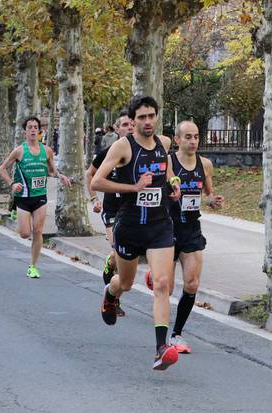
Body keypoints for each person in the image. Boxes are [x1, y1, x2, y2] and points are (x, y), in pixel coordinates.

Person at [91, 95, 182, 370]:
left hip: (159, 225)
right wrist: (134, 188)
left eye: (151, 116)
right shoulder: (122, 147)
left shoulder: (164, 143)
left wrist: (174, 183)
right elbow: (96, 181)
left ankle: (160, 348)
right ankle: (110, 293)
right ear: (132, 121)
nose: (147, 122)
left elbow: (166, 170)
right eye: (141, 117)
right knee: (126, 283)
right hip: (129, 226)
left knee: (163, 283)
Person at [144, 120, 224, 354]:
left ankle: (177, 334)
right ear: (177, 140)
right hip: (166, 230)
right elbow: (154, 191)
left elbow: (208, 195)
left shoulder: (205, 165)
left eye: (196, 137)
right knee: (165, 288)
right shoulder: (167, 162)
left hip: (190, 230)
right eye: (187, 137)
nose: (193, 141)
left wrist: (213, 201)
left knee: (192, 283)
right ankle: (156, 275)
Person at [0, 116, 72, 279]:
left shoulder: (47, 151)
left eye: (35, 127)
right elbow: (2, 168)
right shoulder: (19, 151)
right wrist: (12, 184)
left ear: (39, 131)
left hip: (40, 196)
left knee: (38, 231)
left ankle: (33, 266)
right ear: (25, 131)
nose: (32, 130)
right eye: (29, 127)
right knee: (25, 234)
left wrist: (61, 176)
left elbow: (52, 170)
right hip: (23, 197)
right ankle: (15, 210)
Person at [85, 111, 133, 317]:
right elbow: (90, 174)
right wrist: (94, 199)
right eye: (125, 125)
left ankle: (111, 265)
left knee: (123, 257)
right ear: (117, 129)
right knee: (117, 252)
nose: (129, 128)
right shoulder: (108, 153)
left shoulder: (139, 154)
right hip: (112, 210)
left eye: (132, 124)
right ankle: (115, 300)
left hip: (132, 211)